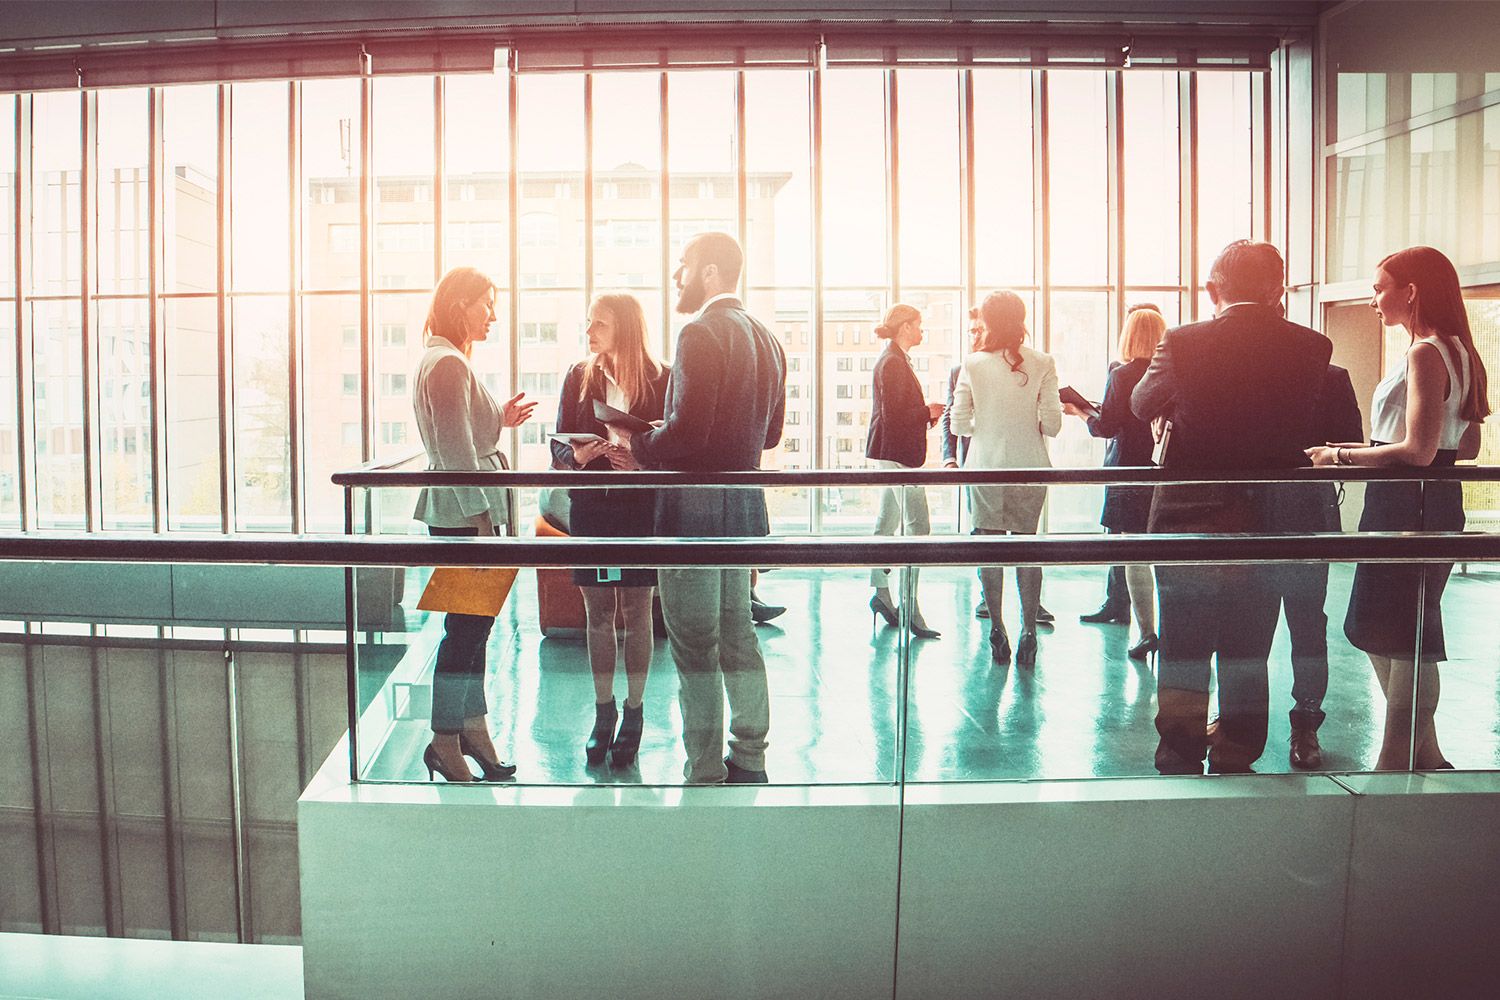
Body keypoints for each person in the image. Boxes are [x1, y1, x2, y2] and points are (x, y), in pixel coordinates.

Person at [1131, 240, 1331, 775]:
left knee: (1184, 638)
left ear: (1212, 289)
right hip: (1266, 516)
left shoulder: (1184, 341)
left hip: (1187, 516)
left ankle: (1178, 744)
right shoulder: (1313, 346)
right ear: (1279, 288)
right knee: (1249, 639)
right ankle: (1238, 746)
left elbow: (1140, 404)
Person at [1307, 245, 1489, 770]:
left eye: (1380, 288)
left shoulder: (1425, 353)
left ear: (1410, 291)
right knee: (1398, 628)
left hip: (1407, 503)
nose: (1373, 300)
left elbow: (1418, 450)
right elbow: (1466, 448)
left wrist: (1341, 454)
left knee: (1404, 635)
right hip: (1432, 500)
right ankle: (1423, 750)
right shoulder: (1461, 351)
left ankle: (1395, 755)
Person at [617, 232, 787, 784]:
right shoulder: (767, 338)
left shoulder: (699, 332)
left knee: (694, 642)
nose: (676, 276)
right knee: (739, 632)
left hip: (692, 511)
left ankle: (705, 769)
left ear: (710, 272)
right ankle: (751, 757)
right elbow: (772, 434)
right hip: (741, 509)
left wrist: (637, 444)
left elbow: (688, 433)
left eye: (683, 265)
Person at [411, 266, 536, 782]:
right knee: (463, 633)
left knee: (472, 629)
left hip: (462, 515)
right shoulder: (448, 365)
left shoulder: (444, 361)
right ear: (459, 304)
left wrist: (496, 419)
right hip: (466, 520)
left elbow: (459, 432)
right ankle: (444, 738)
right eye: (485, 303)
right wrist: (484, 521)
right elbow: (458, 452)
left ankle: (471, 727)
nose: (492, 315)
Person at [551, 293, 669, 767]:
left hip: (639, 510)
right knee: (597, 612)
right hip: (593, 511)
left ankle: (634, 713)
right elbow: (559, 449)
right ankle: (604, 714)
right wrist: (581, 455)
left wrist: (643, 454)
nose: (589, 332)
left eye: (598, 323)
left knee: (638, 611)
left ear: (625, 327)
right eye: (588, 323)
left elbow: (674, 447)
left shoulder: (663, 379)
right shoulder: (579, 377)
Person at [950, 290, 1062, 668]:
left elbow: (959, 423)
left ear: (989, 321)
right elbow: (1054, 424)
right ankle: (1029, 628)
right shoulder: (1043, 361)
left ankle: (997, 627)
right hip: (1030, 465)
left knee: (989, 548)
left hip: (984, 465)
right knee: (1028, 549)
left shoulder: (973, 363)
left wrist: (987, 425)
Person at [1260, 360, 1363, 769]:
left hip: (1302, 512)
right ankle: (1245, 717)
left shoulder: (1329, 376)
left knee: (1304, 622)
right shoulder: (1327, 374)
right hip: (1257, 512)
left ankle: (1305, 724)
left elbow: (1349, 445)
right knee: (1252, 624)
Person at [1063, 303, 1164, 660]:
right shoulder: (1171, 372)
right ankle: (1167, 630)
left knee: (1133, 553)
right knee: (1163, 552)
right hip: (1162, 471)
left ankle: (1148, 631)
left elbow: (1106, 426)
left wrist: (1080, 413)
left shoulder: (1122, 375)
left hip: (1127, 470)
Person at [866, 303, 945, 639]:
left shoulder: (894, 360)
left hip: (891, 452)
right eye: (918, 324)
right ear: (904, 327)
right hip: (898, 455)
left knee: (886, 523)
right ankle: (908, 604)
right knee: (919, 526)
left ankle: (882, 594)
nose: (921, 329)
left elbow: (894, 414)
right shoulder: (893, 363)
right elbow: (897, 416)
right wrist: (927, 411)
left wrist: (925, 414)